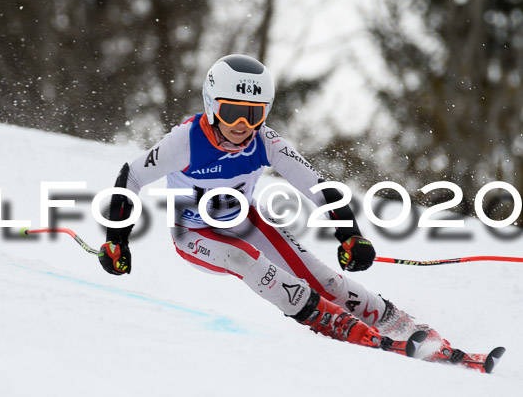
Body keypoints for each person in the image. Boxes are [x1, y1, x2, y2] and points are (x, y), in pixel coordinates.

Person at [97, 54, 441, 352]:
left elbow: (319, 187)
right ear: (212, 105)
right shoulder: (185, 141)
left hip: (246, 220)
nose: (242, 125)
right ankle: (326, 319)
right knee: (244, 258)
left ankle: (395, 321)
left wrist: (349, 235)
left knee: (322, 278)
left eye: (254, 113)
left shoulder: (266, 142)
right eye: (232, 112)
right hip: (193, 233)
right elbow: (131, 175)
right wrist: (117, 240)